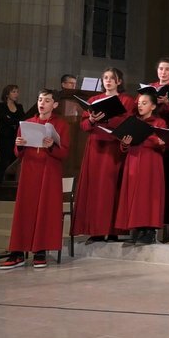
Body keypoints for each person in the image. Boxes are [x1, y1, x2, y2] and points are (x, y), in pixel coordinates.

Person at [0, 90, 70, 270]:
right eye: (40, 100)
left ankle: (40, 251)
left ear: (54, 105)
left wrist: (51, 145)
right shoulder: (27, 123)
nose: (42, 103)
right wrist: (19, 145)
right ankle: (18, 253)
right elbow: (18, 153)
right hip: (30, 170)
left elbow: (64, 152)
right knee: (25, 209)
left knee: (45, 210)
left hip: (49, 172)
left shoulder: (60, 124)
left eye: (47, 100)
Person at [73, 68, 136, 242]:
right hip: (95, 148)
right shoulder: (94, 100)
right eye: (105, 78)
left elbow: (128, 121)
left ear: (119, 81)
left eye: (112, 78)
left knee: (112, 188)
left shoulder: (127, 100)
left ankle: (114, 231)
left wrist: (108, 119)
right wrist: (92, 120)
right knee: (96, 189)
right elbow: (84, 126)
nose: (108, 81)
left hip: (114, 147)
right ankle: (97, 230)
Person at [114, 88, 167, 246]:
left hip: (151, 162)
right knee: (133, 195)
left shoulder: (159, 122)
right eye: (139, 103)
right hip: (133, 160)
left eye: (144, 103)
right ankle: (136, 229)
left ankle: (149, 230)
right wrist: (125, 143)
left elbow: (162, 144)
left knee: (148, 195)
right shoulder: (132, 122)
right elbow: (123, 147)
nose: (140, 106)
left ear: (152, 106)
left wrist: (150, 138)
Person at [0, 85, 25, 179]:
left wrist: (13, 121)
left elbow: (23, 120)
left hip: (16, 137)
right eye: (13, 92)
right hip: (5, 137)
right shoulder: (1, 106)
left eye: (17, 91)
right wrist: (16, 122)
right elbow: (5, 120)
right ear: (7, 94)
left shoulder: (19, 107)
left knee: (15, 160)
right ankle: (1, 182)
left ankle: (12, 182)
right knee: (5, 159)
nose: (16, 94)